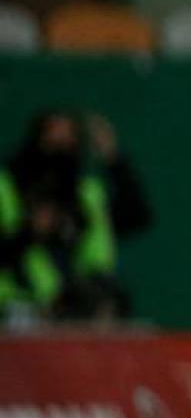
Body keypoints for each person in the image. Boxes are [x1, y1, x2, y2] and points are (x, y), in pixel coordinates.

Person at [0, 109, 152, 322]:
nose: (60, 147)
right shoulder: (7, 189)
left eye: (69, 139)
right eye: (52, 139)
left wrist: (113, 159)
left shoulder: (85, 194)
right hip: (17, 310)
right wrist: (29, 232)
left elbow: (136, 216)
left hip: (81, 309)